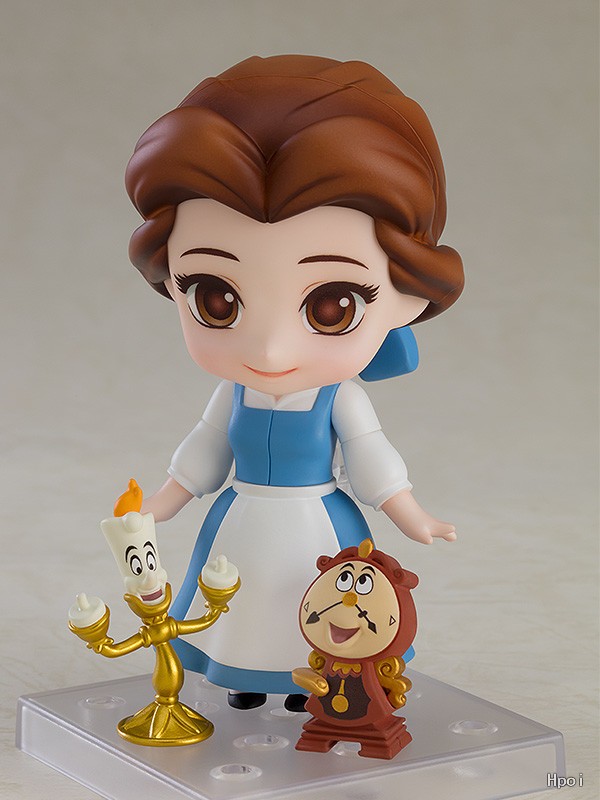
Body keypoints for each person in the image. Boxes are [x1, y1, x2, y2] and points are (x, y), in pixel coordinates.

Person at [124, 55, 464, 710]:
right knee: (236, 597)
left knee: (313, 602)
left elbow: (372, 459)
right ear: (171, 281)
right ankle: (244, 676)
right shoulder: (233, 394)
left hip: (318, 525)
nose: (271, 349)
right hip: (241, 515)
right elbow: (205, 449)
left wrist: (412, 515)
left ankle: (304, 683)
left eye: (331, 306)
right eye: (217, 298)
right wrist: (158, 505)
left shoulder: (341, 398)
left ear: (408, 297)